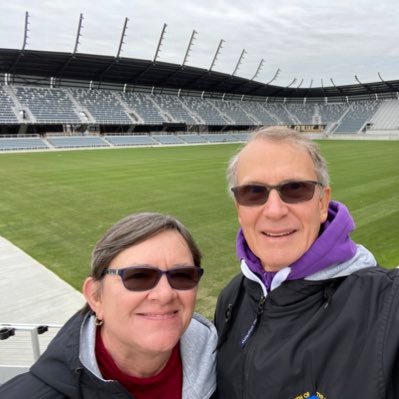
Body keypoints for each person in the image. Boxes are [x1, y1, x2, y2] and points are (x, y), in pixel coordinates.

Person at [214, 126, 399, 399]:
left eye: (295, 189)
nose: (275, 211)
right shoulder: (232, 298)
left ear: (323, 202)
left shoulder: (387, 305)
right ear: (239, 210)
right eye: (254, 192)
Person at [0, 212, 217, 399]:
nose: (165, 294)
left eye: (182, 275)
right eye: (139, 276)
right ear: (96, 296)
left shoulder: (230, 368)